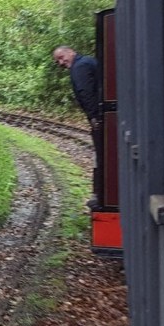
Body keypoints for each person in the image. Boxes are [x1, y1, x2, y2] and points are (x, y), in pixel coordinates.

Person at [54, 46, 104, 207]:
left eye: (62, 57)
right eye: (58, 61)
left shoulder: (80, 67)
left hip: (101, 116)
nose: (61, 62)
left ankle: (99, 194)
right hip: (103, 113)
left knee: (101, 155)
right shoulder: (88, 61)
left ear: (71, 52)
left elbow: (86, 92)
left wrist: (93, 116)